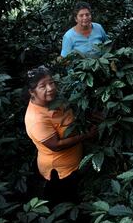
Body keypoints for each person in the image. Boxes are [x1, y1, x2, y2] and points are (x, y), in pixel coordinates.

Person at [24, 65, 97, 205]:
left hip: (76, 163)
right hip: (60, 172)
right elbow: (56, 146)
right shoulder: (36, 119)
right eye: (42, 86)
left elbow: (71, 111)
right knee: (65, 203)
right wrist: (87, 135)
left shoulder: (55, 99)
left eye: (51, 82)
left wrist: (90, 116)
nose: (50, 88)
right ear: (32, 92)